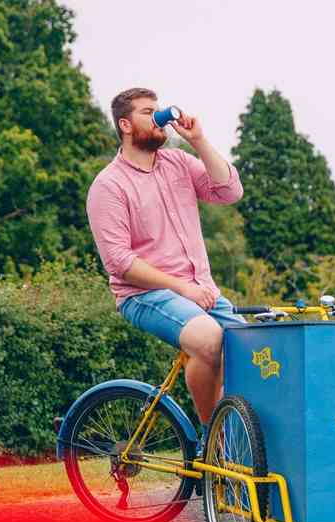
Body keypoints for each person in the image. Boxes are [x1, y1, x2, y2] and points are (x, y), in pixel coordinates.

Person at [86, 87, 245, 451]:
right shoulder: (108, 186)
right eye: (148, 113)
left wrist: (199, 141)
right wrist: (181, 288)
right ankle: (215, 442)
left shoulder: (178, 162)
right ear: (125, 125)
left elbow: (229, 191)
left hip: (201, 290)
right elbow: (119, 262)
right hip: (145, 295)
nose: (161, 119)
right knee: (211, 340)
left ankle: (241, 440)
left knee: (254, 352)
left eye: (160, 111)